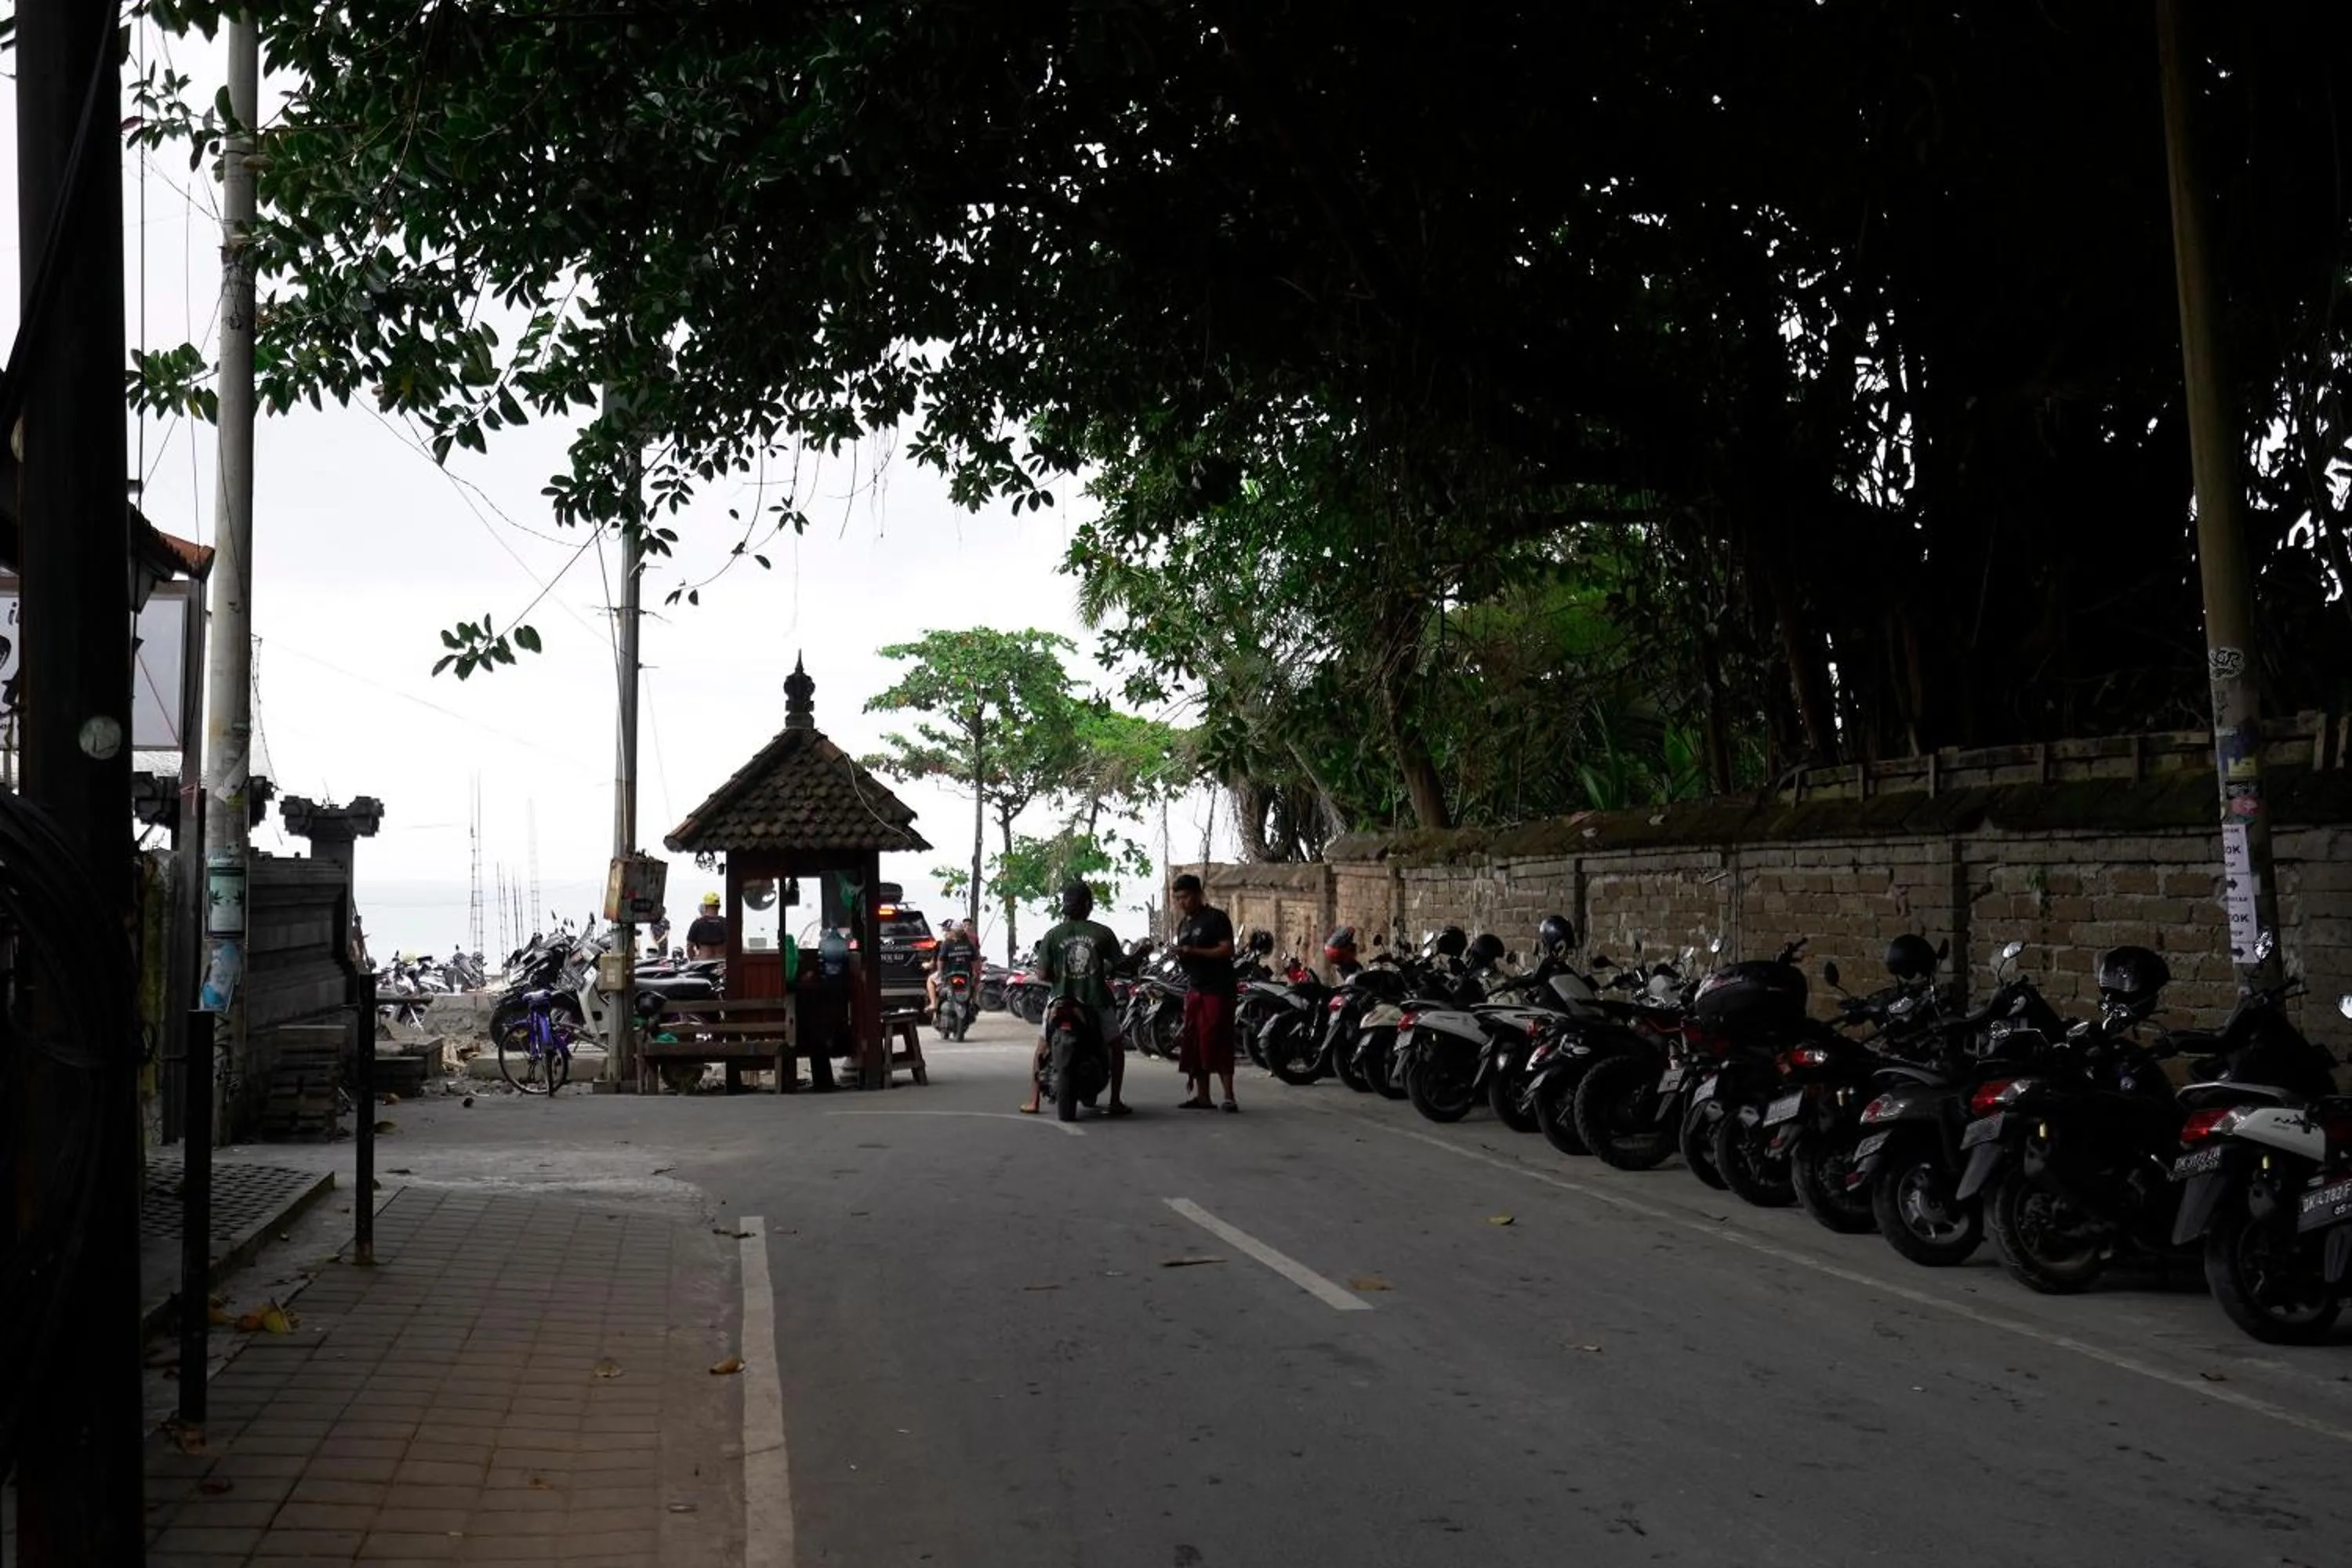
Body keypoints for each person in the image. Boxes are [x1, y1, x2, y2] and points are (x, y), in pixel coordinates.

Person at [1020, 881, 1131, 1117]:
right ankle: (1115, 1101)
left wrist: (1060, 977)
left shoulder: (1052, 935)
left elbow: (1042, 974)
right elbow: (1120, 965)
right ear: (1089, 905)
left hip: (1059, 1000)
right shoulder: (1102, 933)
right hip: (1095, 1000)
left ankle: (1033, 1100)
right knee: (1116, 1046)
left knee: (1043, 1046)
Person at [1170, 873, 1239, 1112]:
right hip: (1195, 987)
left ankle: (1229, 1096)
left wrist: (1195, 952)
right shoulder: (1184, 924)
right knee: (1195, 1041)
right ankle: (1203, 1097)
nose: (1182, 902)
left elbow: (1227, 950)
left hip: (1218, 988)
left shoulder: (1215, 918)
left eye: (1186, 897)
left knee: (1218, 1039)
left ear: (1199, 894)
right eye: (1178, 898)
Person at [928, 917, 979, 1016]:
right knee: (975, 984)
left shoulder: (946, 943)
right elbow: (975, 961)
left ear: (953, 931)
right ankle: (974, 1002)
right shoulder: (969, 944)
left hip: (950, 974)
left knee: (930, 980)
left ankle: (933, 1004)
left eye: (947, 930)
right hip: (966, 974)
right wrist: (974, 972)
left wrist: (940, 973)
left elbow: (941, 961)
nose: (946, 932)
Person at [686, 892, 728, 960]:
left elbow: (689, 947)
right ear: (719, 906)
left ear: (705, 906)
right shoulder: (726, 923)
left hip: (704, 964)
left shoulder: (697, 923)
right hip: (722, 963)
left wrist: (693, 960)